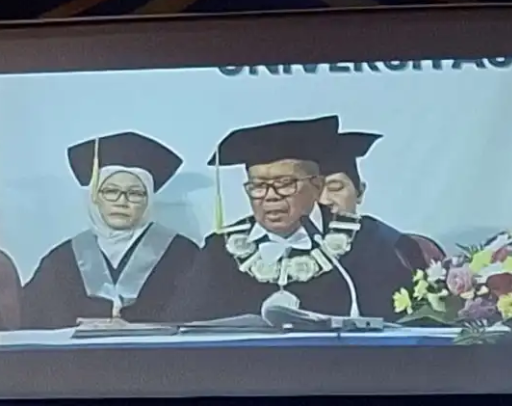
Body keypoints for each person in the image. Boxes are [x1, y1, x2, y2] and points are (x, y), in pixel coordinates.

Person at [172, 116, 425, 323]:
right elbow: (183, 326)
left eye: (285, 184)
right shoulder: (221, 249)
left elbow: (404, 324)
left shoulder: (367, 241)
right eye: (258, 186)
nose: (270, 196)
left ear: (316, 186)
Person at [21, 131, 199, 329]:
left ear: (149, 199)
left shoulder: (184, 255)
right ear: (95, 197)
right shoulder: (60, 261)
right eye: (111, 191)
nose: (122, 202)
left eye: (135, 193)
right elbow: (34, 320)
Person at [318, 131, 446, 266]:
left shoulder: (400, 248)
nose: (323, 200)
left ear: (359, 192)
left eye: (335, 187)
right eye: (315, 191)